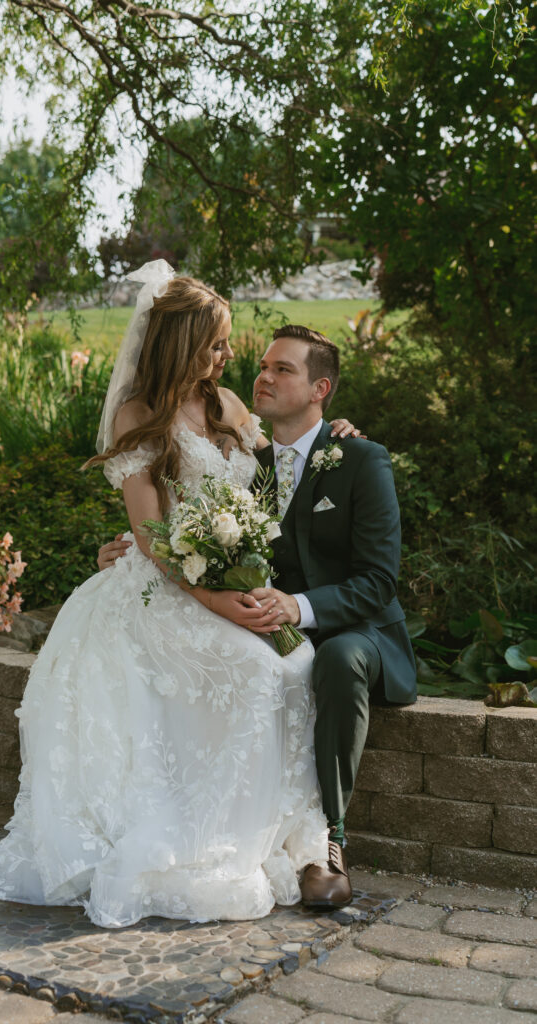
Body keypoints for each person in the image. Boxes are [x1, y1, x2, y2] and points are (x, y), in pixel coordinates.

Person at [0, 261, 361, 927]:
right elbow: (153, 536)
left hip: (232, 578)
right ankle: (206, 836)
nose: (226, 356)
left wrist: (334, 434)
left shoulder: (226, 406)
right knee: (249, 668)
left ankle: (300, 839)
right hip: (164, 587)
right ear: (180, 342)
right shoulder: (139, 412)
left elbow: (283, 466)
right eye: (215, 343)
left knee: (298, 662)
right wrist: (216, 601)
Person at [99, 321, 418, 909]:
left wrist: (296, 605)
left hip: (357, 629)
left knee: (336, 657)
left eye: (282, 370)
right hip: (261, 620)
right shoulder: (249, 458)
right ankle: (224, 831)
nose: (262, 375)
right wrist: (125, 551)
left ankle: (329, 842)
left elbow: (378, 581)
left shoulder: (360, 459)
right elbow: (183, 521)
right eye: (263, 366)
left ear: (320, 390)